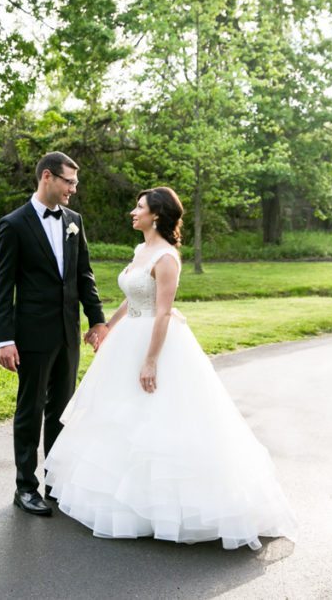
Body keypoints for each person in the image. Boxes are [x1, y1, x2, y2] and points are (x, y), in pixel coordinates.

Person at [43, 186, 298, 550]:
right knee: (122, 420)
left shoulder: (166, 258)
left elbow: (161, 311)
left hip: (155, 341)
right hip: (128, 336)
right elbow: (133, 299)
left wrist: (151, 360)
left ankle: (163, 509)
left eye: (140, 207)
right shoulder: (140, 250)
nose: (133, 211)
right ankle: (122, 501)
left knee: (159, 420)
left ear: (156, 215)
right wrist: (106, 326)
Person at [0, 151, 109, 517]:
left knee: (61, 410)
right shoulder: (14, 224)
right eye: (68, 181)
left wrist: (97, 320)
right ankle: (25, 488)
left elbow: (83, 275)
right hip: (32, 334)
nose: (73, 189)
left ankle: (55, 482)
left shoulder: (74, 221)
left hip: (67, 332)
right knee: (30, 409)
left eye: (74, 183)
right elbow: (3, 286)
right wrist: (5, 339)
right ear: (47, 177)